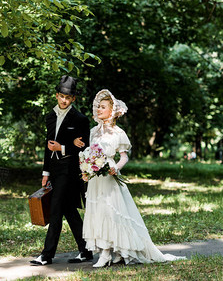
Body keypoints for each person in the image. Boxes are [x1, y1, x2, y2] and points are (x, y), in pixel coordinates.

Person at [74, 89, 185, 268]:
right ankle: (106, 251)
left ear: (112, 111)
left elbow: (124, 157)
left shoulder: (118, 133)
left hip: (109, 177)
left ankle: (109, 253)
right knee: (98, 212)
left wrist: (115, 169)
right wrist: (86, 169)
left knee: (111, 213)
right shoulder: (93, 132)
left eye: (103, 107)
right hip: (95, 179)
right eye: (98, 107)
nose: (99, 110)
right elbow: (89, 154)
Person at [30, 75, 93, 266]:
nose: (64, 100)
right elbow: (47, 146)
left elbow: (86, 147)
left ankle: (47, 255)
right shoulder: (50, 117)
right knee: (69, 210)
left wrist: (63, 148)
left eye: (68, 97)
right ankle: (86, 250)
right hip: (55, 171)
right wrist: (45, 173)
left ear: (73, 98)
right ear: (57, 95)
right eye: (61, 96)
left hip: (70, 171)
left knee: (56, 210)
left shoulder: (80, 119)